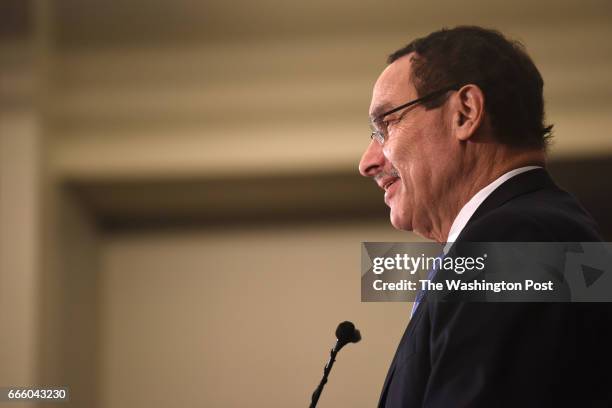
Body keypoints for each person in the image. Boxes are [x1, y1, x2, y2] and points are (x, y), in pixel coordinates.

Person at [358, 26, 611, 407]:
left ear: (465, 112)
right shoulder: (542, 230)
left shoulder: (517, 240)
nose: (367, 162)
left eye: (385, 126)